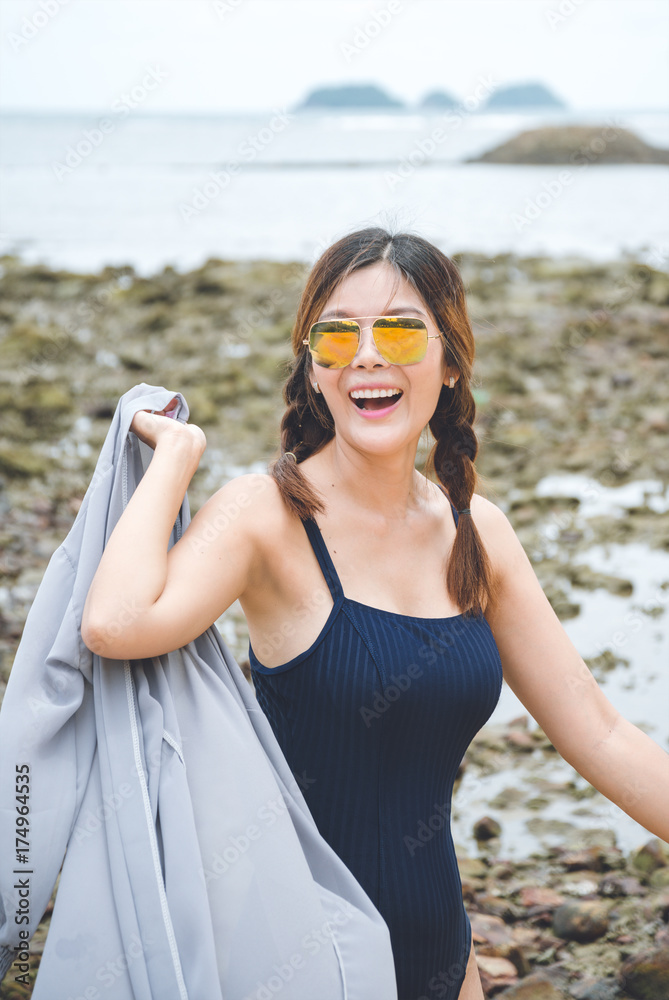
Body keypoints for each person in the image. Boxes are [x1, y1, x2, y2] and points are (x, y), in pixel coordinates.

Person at [82, 227, 669, 1000]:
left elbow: (597, 729)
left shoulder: (475, 531)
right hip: (297, 962)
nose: (366, 354)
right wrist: (177, 458)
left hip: (441, 955)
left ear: (450, 360)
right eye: (336, 334)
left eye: (398, 329)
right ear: (314, 368)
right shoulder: (266, 515)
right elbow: (115, 622)